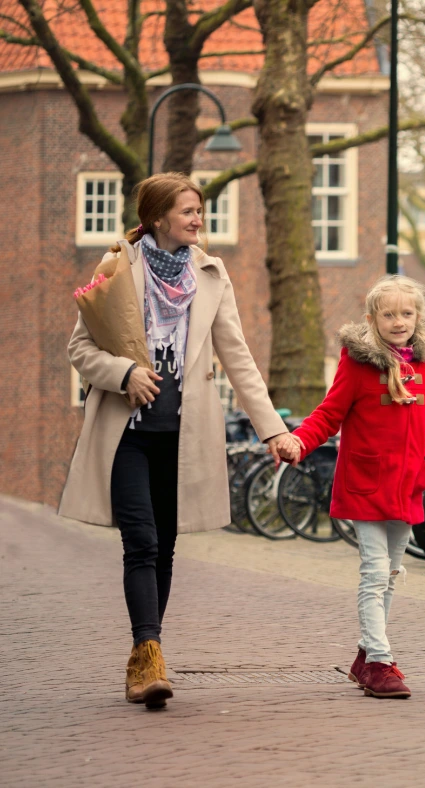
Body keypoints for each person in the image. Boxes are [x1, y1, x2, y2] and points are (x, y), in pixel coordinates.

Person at [59, 173, 297, 709]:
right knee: (140, 541)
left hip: (183, 437)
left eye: (199, 210)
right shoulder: (119, 265)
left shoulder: (211, 275)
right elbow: (79, 348)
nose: (197, 219)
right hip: (128, 435)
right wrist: (123, 374)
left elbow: (237, 356)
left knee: (165, 547)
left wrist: (275, 430)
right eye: (188, 211)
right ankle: (148, 654)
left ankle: (149, 652)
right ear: (160, 216)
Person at [279, 275, 425, 699]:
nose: (398, 322)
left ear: (418, 316)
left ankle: (364, 657)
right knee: (374, 574)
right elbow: (329, 413)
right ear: (372, 318)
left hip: (408, 487)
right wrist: (299, 440)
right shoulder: (357, 363)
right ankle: (378, 661)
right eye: (388, 314)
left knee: (391, 575)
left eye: (406, 313)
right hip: (366, 485)